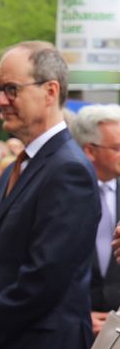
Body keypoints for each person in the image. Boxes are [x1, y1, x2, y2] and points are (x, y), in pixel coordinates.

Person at [0, 41, 100, 348]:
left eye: (11, 89)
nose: (2, 101)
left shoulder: (68, 170)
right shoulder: (14, 169)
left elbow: (43, 280)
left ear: (50, 91)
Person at [71, 104, 120, 336]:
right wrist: (78, 316)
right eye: (117, 148)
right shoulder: (63, 195)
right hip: (75, 331)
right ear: (90, 150)